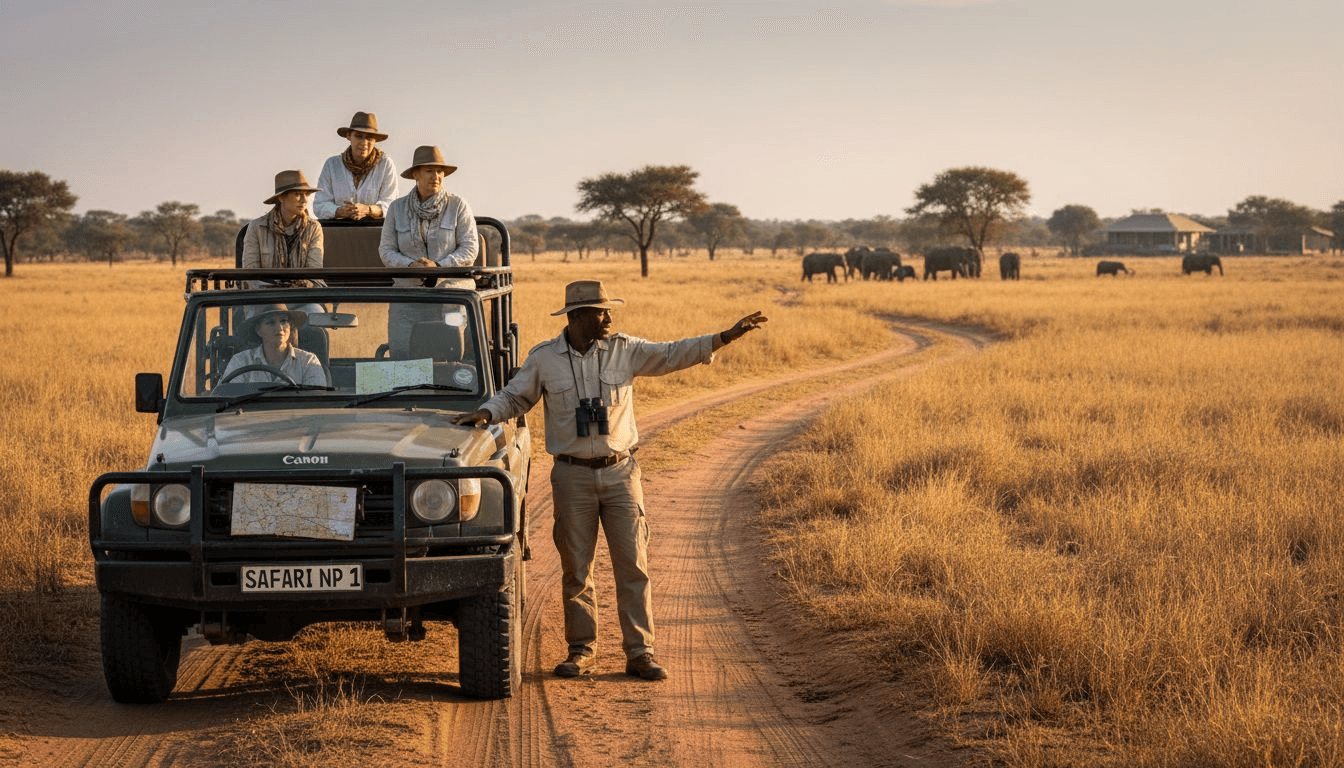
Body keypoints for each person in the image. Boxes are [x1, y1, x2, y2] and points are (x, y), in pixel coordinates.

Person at [453, 280, 768, 681]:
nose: (609, 317)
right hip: (571, 476)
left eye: (608, 311)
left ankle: (640, 652)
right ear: (578, 316)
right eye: (601, 311)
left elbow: (671, 354)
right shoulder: (545, 358)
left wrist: (724, 337)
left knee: (633, 565)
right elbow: (516, 398)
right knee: (577, 568)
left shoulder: (625, 349)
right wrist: (485, 413)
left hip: (622, 473)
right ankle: (582, 650)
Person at [379, 144, 479, 357]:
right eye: (429, 170)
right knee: (401, 352)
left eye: (440, 171)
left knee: (453, 351)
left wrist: (439, 267)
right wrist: (410, 266)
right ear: (415, 174)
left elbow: (470, 248)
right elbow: (386, 250)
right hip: (408, 290)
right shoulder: (396, 208)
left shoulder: (458, 205)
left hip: (451, 291)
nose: (436, 176)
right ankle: (405, 385)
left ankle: (455, 380)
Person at [313, 111, 399, 221]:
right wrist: (340, 211)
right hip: (339, 232)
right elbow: (319, 205)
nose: (364, 142)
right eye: (359, 136)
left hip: (376, 233)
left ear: (375, 140)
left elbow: (391, 205)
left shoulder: (386, 165)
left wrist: (368, 210)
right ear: (349, 136)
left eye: (369, 138)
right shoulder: (331, 165)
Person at [220, 304, 326, 387]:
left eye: (284, 321)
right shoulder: (240, 362)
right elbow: (227, 398)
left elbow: (316, 402)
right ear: (258, 330)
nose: (279, 328)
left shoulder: (308, 362)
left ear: (290, 326)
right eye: (270, 322)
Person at [241, 169, 324, 275]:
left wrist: (296, 287)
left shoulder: (313, 228)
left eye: (306, 194)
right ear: (281, 197)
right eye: (298, 194)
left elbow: (314, 273)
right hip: (266, 290)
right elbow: (250, 275)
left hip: (302, 290)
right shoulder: (257, 228)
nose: (305, 200)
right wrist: (272, 289)